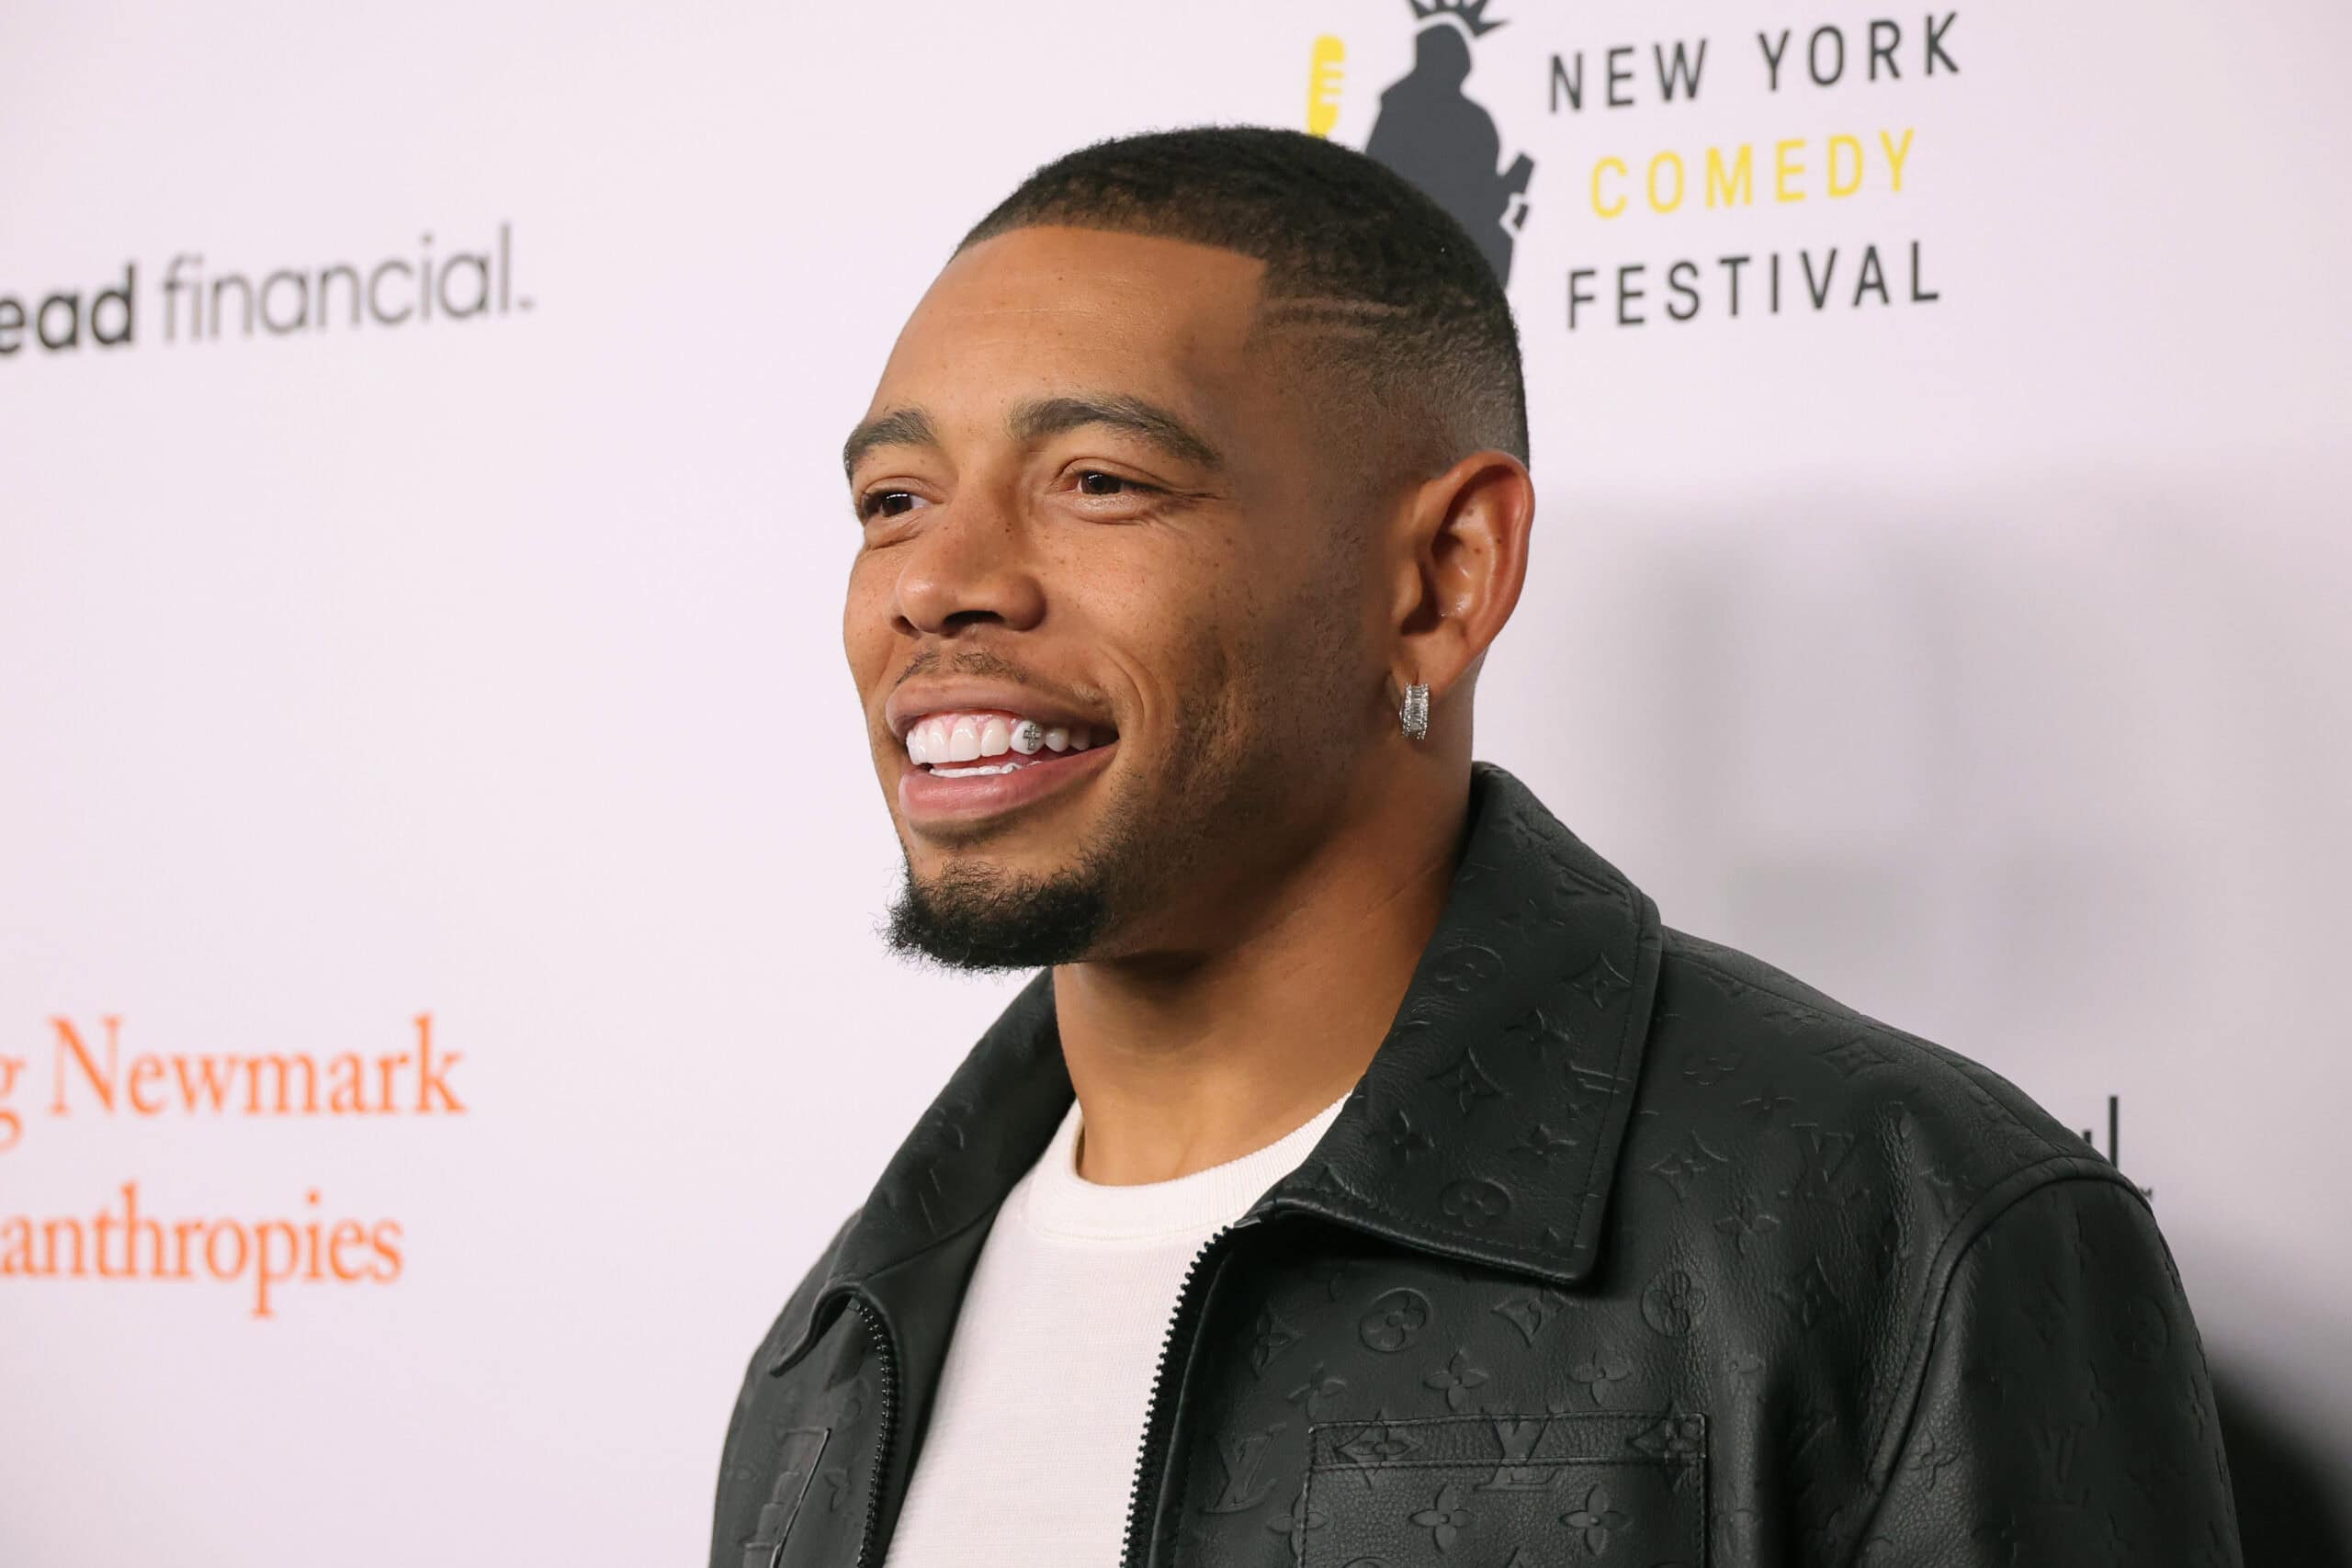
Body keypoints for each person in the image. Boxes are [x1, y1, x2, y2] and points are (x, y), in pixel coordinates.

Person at [710, 126, 2243, 1568]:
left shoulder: (1905, 1226)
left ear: (1446, 575)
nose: (935, 584)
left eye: (1099, 481)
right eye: (893, 501)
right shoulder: (841, 1337)